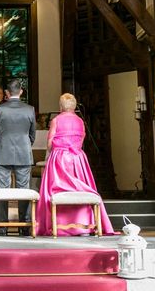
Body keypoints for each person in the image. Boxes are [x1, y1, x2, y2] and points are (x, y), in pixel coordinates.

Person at [36, 93, 114, 236]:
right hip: (77, 159)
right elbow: (82, 138)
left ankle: (57, 225)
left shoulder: (56, 120)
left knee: (55, 190)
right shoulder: (80, 121)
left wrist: (56, 147)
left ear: (60, 107)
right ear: (74, 106)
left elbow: (49, 143)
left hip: (59, 159)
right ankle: (83, 225)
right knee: (80, 190)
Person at [0, 78, 36, 235]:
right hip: (23, 153)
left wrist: (3, 145)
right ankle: (24, 226)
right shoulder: (30, 109)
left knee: (2, 189)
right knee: (24, 189)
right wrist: (23, 145)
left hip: (3, 153)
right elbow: (32, 135)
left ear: (7, 93)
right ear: (21, 92)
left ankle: (2, 227)